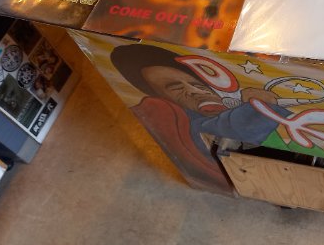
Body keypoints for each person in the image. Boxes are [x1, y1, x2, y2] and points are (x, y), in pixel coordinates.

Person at [110, 43, 290, 194]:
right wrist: (260, 107)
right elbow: (229, 131)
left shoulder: (229, 104)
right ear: (162, 98)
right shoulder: (181, 120)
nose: (194, 91)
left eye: (197, 84)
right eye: (176, 88)